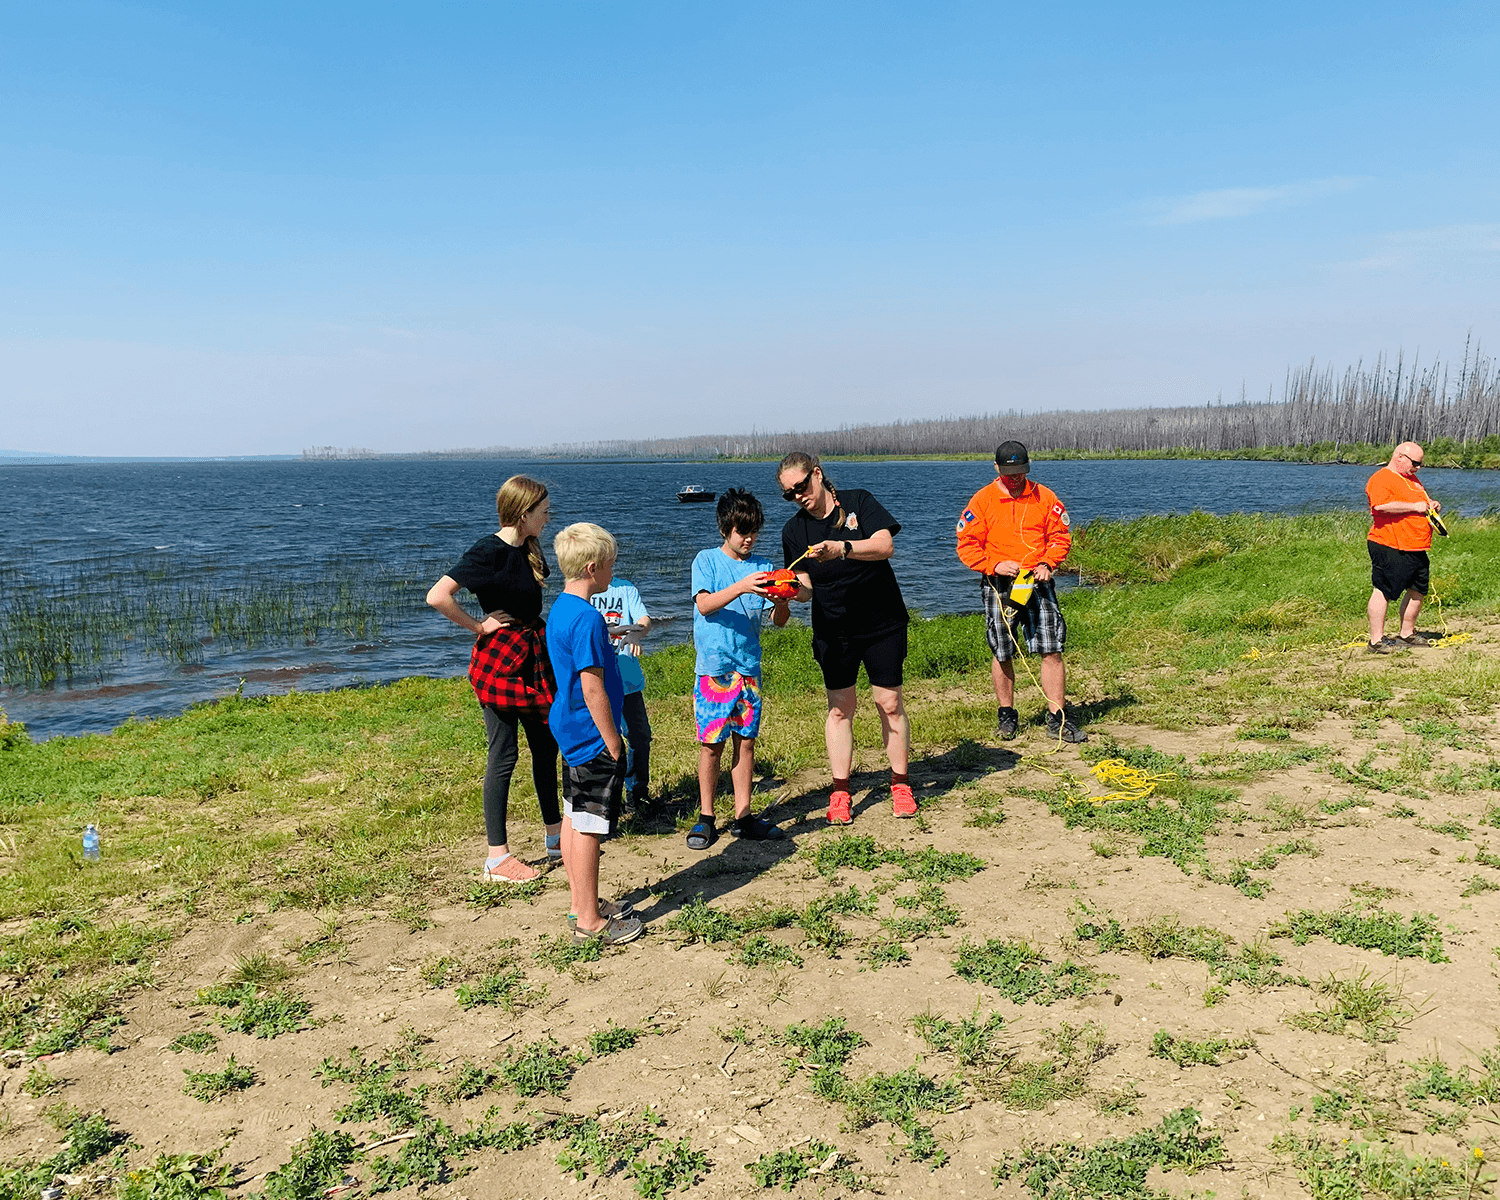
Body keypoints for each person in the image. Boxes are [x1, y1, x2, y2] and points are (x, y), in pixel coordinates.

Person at [426, 475, 562, 883]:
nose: (549, 517)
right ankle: (497, 859)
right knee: (503, 754)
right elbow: (438, 596)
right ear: (523, 514)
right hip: (501, 660)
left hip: (533, 654)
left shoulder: (528, 547)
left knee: (546, 747)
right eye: (543, 512)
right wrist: (478, 626)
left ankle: (556, 838)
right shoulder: (488, 550)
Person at [776, 452, 914, 825]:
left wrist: (843, 548)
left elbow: (885, 546)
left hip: (882, 620)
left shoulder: (858, 502)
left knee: (889, 703)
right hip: (834, 630)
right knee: (840, 709)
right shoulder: (794, 531)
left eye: (801, 487)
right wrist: (789, 592)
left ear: (817, 475)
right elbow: (805, 587)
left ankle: (900, 783)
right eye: (789, 494)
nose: (798, 497)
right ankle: (840, 791)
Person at [546, 522, 643, 945]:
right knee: (589, 824)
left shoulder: (562, 607)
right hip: (590, 732)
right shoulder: (587, 618)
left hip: (568, 725)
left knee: (572, 814)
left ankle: (579, 902)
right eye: (610, 565)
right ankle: (590, 920)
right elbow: (592, 687)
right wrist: (613, 740)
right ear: (592, 568)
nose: (612, 572)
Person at [956, 441, 1086, 743]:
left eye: (1020, 472)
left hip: (1037, 582)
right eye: (1009, 473)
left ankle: (1057, 718)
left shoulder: (1045, 497)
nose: (1015, 478)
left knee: (1051, 648)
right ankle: (1007, 715)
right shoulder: (982, 500)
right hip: (999, 584)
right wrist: (994, 565)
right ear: (997, 468)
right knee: (1002, 650)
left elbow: (1060, 537)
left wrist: (1048, 563)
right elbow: (967, 545)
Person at [686, 489, 791, 850]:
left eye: (754, 532)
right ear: (724, 530)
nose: (749, 539)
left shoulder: (764, 566)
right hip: (714, 670)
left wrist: (781, 600)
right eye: (742, 532)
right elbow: (705, 605)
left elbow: (779, 620)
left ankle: (744, 816)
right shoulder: (706, 561)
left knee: (746, 744)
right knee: (711, 746)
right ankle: (706, 817)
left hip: (749, 668)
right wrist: (743, 586)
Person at [1365, 441, 1441, 654]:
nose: (1418, 467)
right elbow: (1380, 506)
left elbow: (1421, 503)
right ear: (1400, 457)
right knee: (1384, 590)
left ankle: (1407, 634)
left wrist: (1432, 504)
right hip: (1389, 542)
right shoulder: (1381, 478)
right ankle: (1376, 641)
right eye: (1415, 463)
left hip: (1416, 545)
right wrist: (1414, 507)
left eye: (1420, 464)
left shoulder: (1412, 479)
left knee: (1418, 589)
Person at [589, 574, 653, 815]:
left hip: (628, 680)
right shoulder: (585, 589)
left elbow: (644, 619)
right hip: (598, 683)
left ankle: (636, 793)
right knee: (602, 742)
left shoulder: (625, 588)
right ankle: (605, 800)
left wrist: (636, 633)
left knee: (639, 737)